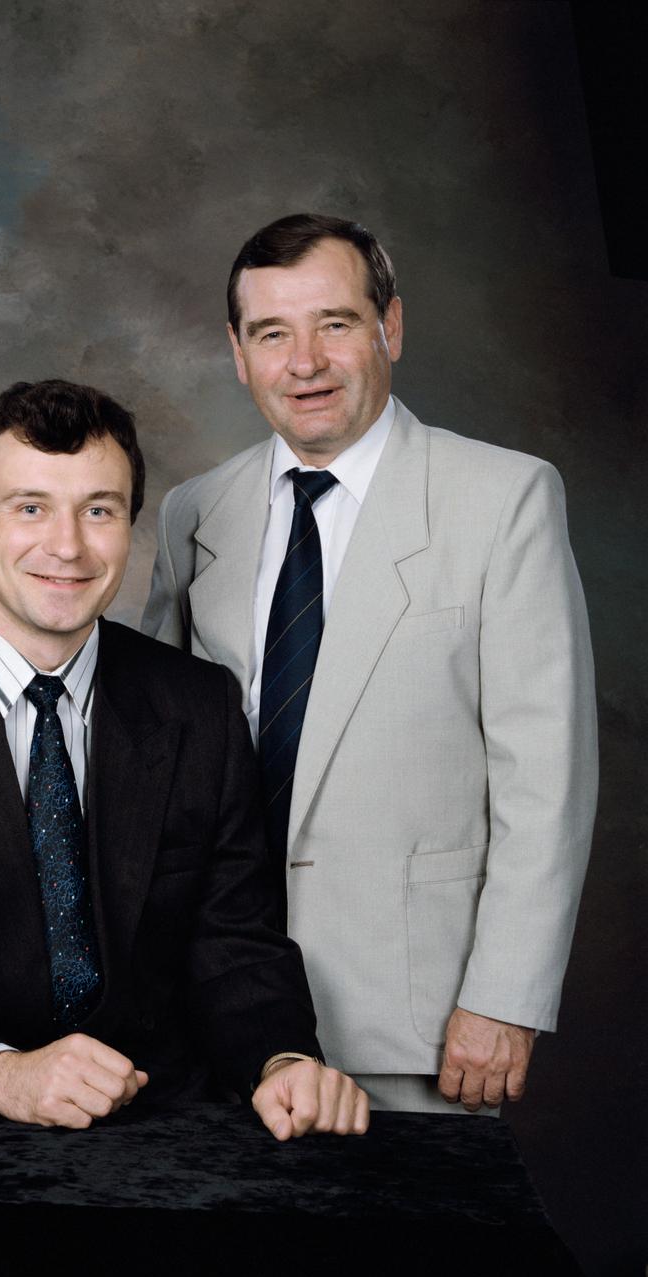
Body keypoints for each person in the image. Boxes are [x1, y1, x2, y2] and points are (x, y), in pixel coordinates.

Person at [0, 378, 368, 1138]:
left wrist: (281, 1060)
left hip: (154, 1131)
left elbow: (234, 940)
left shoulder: (198, 705)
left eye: (98, 510)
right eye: (29, 508)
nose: (67, 547)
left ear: (129, 527)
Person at [143, 214, 597, 1114]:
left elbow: (545, 777)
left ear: (389, 326)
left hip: (419, 1022)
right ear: (237, 353)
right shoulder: (194, 513)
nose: (303, 362)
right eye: (272, 333)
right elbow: (158, 772)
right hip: (214, 1018)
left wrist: (503, 996)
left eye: (335, 324)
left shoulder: (503, 498)